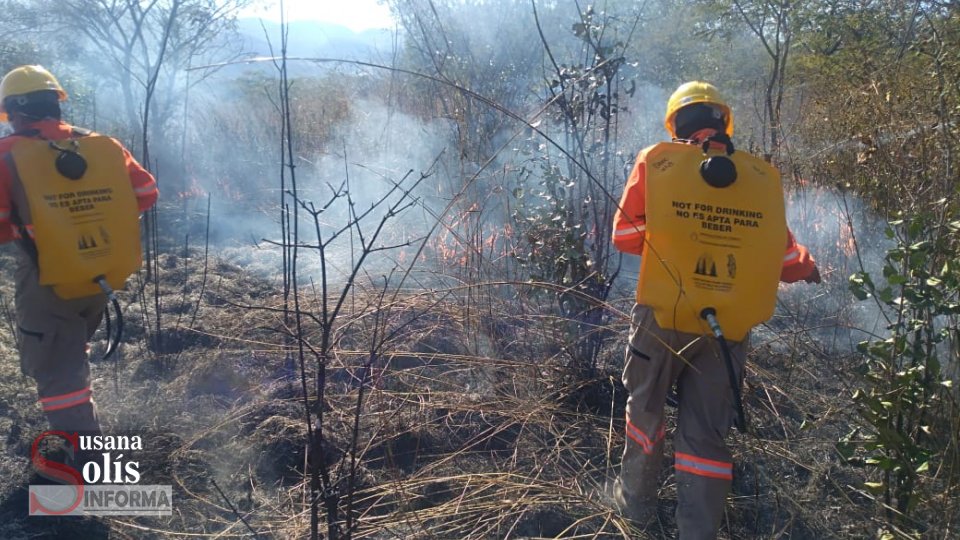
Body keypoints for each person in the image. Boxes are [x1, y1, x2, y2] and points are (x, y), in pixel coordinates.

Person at [610, 81, 820, 539]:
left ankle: (635, 510)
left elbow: (624, 237)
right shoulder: (757, 177)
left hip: (662, 317)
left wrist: (674, 230)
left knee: (645, 411)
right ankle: (697, 531)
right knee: (705, 435)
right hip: (728, 325)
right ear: (724, 122)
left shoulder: (658, 162)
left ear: (675, 124)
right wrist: (810, 268)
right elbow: (786, 261)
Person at [0, 65, 158, 436]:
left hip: (48, 278)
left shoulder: (7, 154)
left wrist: (35, 229)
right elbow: (147, 193)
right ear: (55, 104)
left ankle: (85, 454)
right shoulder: (103, 145)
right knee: (70, 345)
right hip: (101, 273)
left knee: (57, 369)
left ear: (16, 111)